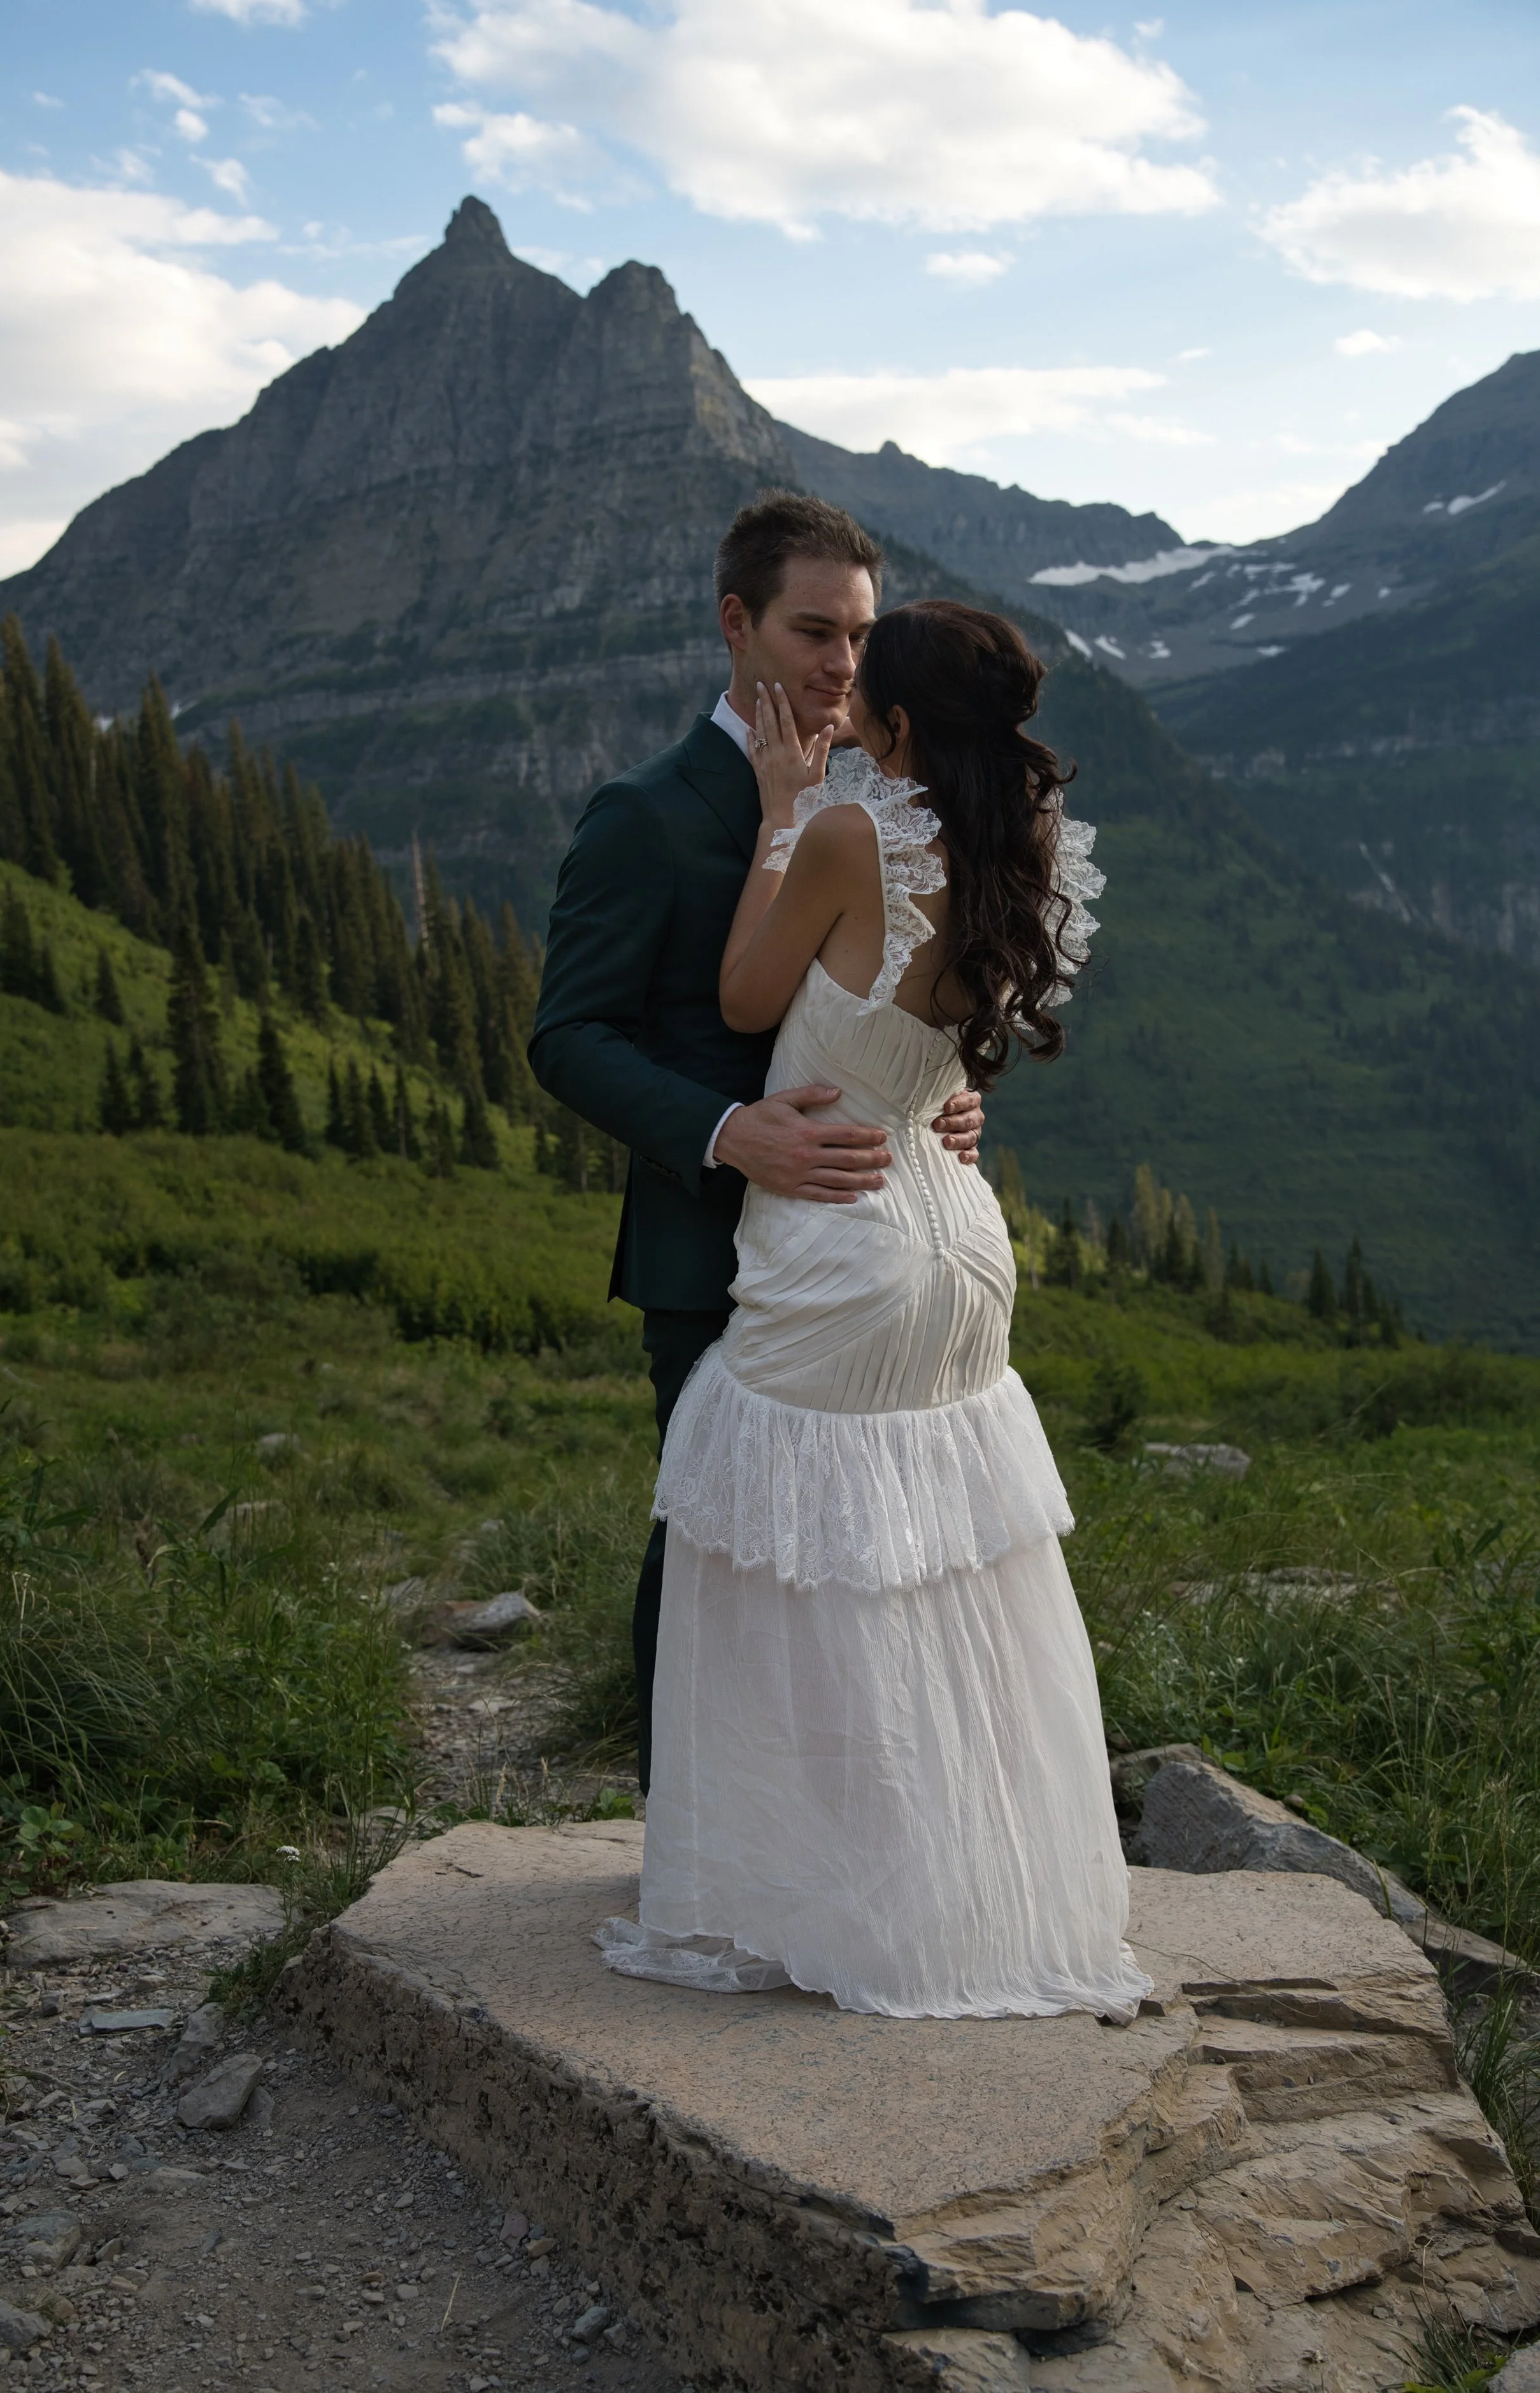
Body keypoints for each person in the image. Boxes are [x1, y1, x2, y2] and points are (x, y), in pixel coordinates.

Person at [591, 596, 1151, 2022]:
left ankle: (822, 1894)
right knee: (942, 1557)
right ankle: (960, 1871)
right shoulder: (1026, 850)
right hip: (958, 1242)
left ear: (893, 725)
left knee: (788, 1547)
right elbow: (938, 1046)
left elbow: (741, 990)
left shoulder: (851, 835)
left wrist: (783, 813)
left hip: (840, 1239)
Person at [530, 492, 985, 1797]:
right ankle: (687, 1849)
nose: (841, 667)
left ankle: (827, 1833)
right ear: (735, 624)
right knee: (716, 1553)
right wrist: (731, 1134)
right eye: (810, 633)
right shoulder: (646, 814)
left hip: (863, 1255)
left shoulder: (875, 805)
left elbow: (912, 992)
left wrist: (940, 1093)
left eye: (856, 636)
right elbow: (568, 1037)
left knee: (860, 1550)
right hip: (707, 1254)